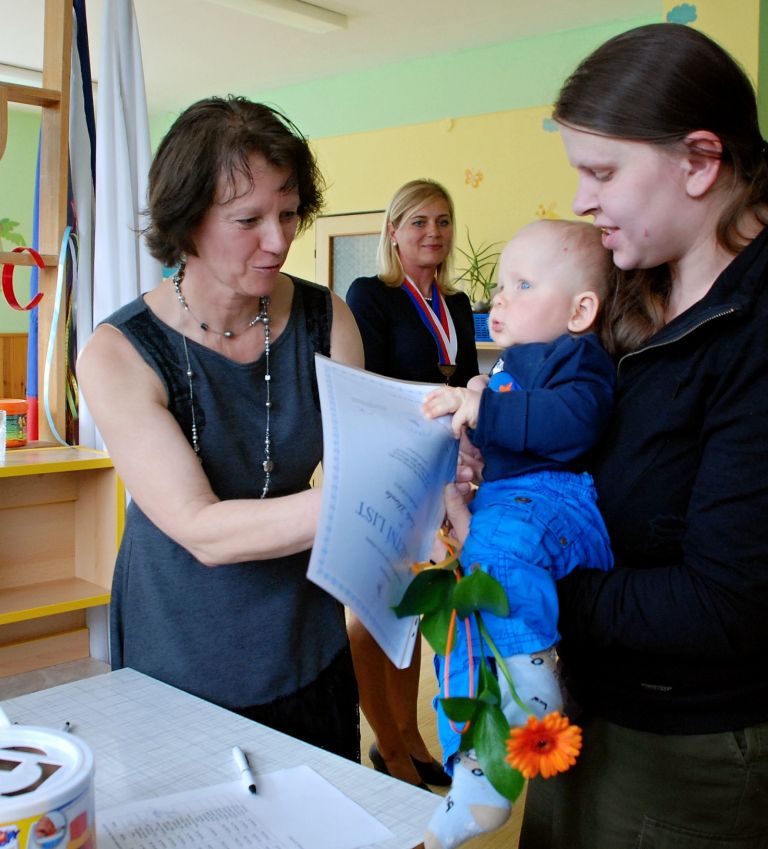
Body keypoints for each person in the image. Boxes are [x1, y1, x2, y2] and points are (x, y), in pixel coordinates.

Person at [479, 23, 768, 848]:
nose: (582, 200)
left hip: (696, 724)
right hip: (597, 687)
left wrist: (517, 577)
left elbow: (721, 605)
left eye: (602, 172)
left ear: (699, 162)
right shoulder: (641, 272)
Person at [76, 96, 365, 760]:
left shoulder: (328, 319)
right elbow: (202, 529)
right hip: (183, 642)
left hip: (306, 633)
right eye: (248, 219)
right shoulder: (118, 353)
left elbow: (365, 459)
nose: (279, 240)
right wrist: (371, 496)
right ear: (186, 224)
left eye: (288, 213)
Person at [420, 220, 616, 849]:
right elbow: (505, 439)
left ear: (580, 311)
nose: (500, 298)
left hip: (559, 502)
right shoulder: (509, 364)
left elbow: (576, 420)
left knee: (497, 560)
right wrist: (470, 445)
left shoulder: (575, 356)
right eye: (502, 285)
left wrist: (488, 407)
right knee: (459, 619)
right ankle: (475, 770)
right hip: (513, 505)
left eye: (523, 285)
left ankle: (534, 687)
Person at [343, 179, 479, 788]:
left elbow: (468, 383)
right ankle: (387, 743)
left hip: (439, 470)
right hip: (386, 467)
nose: (433, 233)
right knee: (373, 609)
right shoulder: (370, 294)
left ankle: (411, 734)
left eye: (443, 221)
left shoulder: (458, 304)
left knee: (415, 605)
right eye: (419, 221)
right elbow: (367, 387)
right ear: (393, 231)